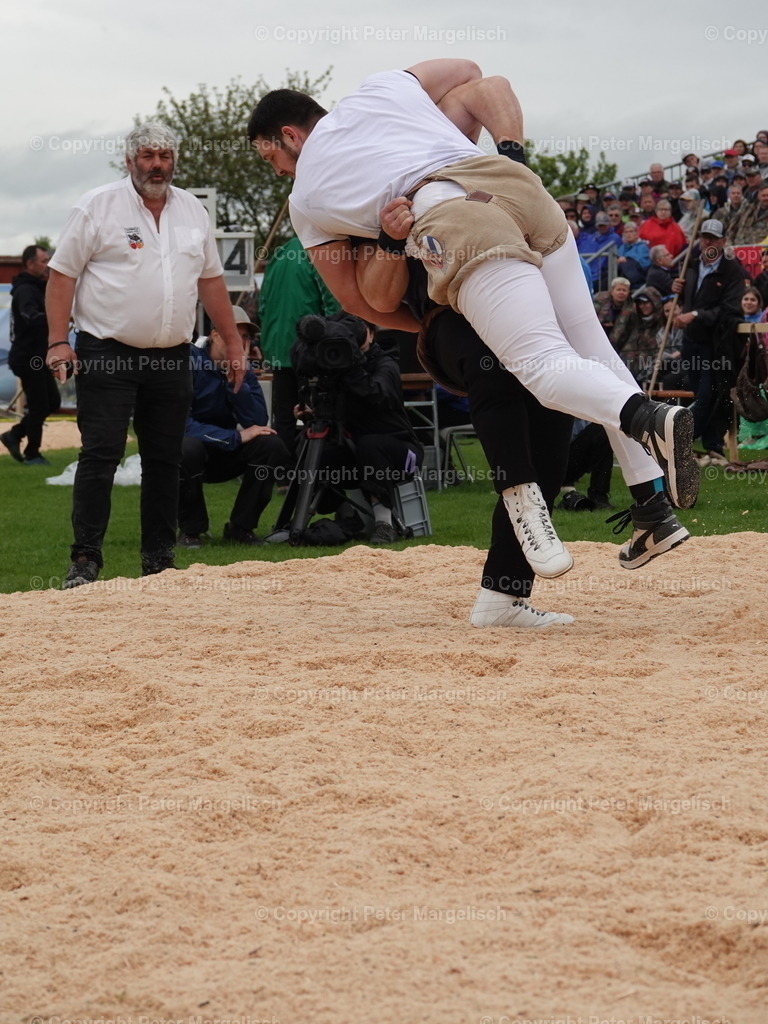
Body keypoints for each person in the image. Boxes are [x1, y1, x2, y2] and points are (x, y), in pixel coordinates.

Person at [248, 60, 699, 574]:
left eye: (273, 159)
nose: (280, 171)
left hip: (449, 210)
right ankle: (653, 508)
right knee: (590, 346)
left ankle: (651, 418)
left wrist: (414, 305)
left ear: (289, 135)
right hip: (514, 185)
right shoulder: (383, 91)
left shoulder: (304, 197)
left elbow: (355, 300)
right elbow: (479, 74)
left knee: (539, 365)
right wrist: (511, 150)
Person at [45, 121, 247, 589]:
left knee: (165, 458)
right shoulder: (97, 206)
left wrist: (232, 343)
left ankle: (158, 560)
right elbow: (62, 276)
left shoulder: (193, 212)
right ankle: (85, 561)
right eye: (148, 155)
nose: (157, 164)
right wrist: (58, 342)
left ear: (174, 160)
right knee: (101, 453)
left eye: (165, 156)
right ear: (129, 159)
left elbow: (211, 281)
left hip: (172, 355)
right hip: (106, 351)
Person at [291, 313, 424, 545]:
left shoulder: (385, 364)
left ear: (372, 334)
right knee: (309, 446)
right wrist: (316, 412)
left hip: (403, 454)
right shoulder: (335, 366)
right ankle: (347, 515)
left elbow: (378, 397)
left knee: (370, 444)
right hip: (356, 453)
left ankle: (384, 525)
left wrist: (353, 368)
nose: (349, 341)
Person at [178, 306, 293, 548]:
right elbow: (182, 425)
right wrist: (236, 437)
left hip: (225, 453)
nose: (241, 342)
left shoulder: (244, 368)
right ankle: (191, 530)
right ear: (216, 335)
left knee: (271, 444)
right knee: (186, 447)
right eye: (234, 335)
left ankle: (241, 527)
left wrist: (235, 386)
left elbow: (258, 422)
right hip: (195, 452)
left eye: (246, 337)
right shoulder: (190, 361)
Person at [257, 235, 340, 456]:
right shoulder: (318, 252)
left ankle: (284, 474)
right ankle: (320, 472)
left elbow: (262, 306)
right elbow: (333, 305)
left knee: (284, 415)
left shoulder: (278, 254)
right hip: (309, 350)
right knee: (320, 412)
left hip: (277, 349)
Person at [672, 219, 744, 463]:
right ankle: (712, 444)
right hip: (690, 342)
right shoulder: (690, 266)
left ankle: (680, 442)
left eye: (713, 238)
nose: (708, 242)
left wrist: (693, 315)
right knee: (701, 393)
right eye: (704, 237)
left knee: (708, 395)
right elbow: (686, 298)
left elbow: (728, 310)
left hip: (716, 345)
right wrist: (678, 290)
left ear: (724, 242)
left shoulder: (733, 271)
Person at [2, 245, 61, 465]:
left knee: (52, 402)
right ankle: (32, 453)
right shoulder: (26, 289)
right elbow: (30, 316)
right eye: (44, 261)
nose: (48, 265)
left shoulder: (39, 287)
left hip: (39, 356)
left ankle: (15, 434)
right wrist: (58, 318)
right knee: (39, 405)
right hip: (28, 357)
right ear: (30, 263)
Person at [593, 277, 635, 352]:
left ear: (628, 293)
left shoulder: (631, 307)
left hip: (618, 342)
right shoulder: (599, 300)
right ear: (612, 291)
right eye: (618, 290)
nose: (621, 293)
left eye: (624, 290)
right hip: (597, 336)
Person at [616, 221, 650, 288]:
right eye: (626, 232)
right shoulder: (621, 248)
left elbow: (643, 264)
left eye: (631, 231)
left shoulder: (643, 247)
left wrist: (626, 260)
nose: (628, 234)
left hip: (638, 276)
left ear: (637, 233)